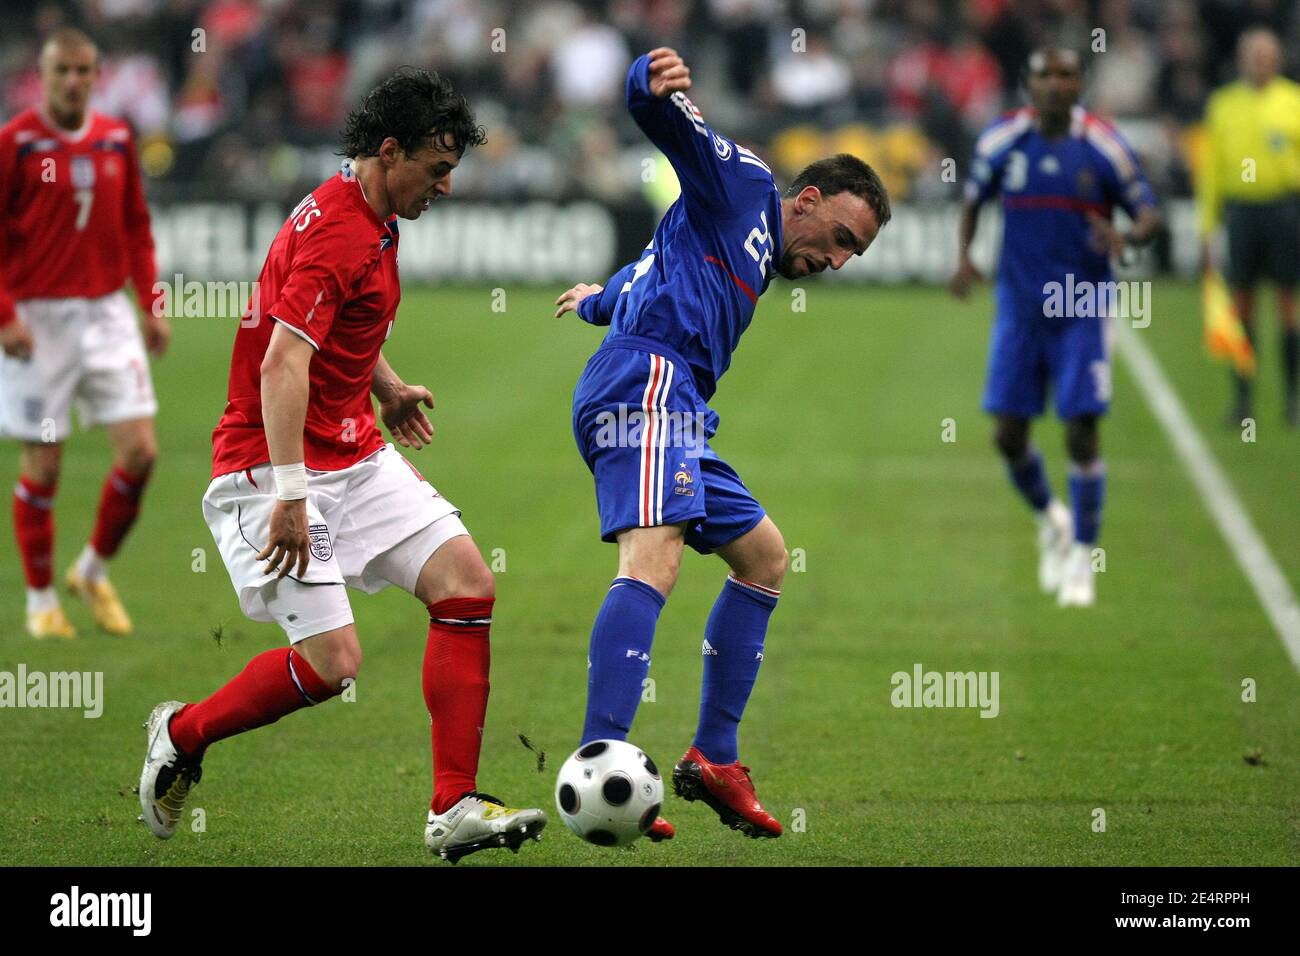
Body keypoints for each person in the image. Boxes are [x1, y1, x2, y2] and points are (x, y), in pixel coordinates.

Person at [138, 69, 545, 864]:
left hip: (350, 448)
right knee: (334, 665)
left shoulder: (368, 208)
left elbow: (333, 325)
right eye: (437, 168)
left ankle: (454, 804)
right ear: (389, 152)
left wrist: (385, 386)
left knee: (465, 581)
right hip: (271, 461)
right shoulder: (342, 230)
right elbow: (283, 364)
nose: (448, 186)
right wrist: (290, 495)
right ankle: (182, 731)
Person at [556, 47, 889, 840]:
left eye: (854, 254)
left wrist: (600, 299)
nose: (837, 260)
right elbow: (664, 122)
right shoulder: (741, 184)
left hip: (674, 401)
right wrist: (648, 79)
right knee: (653, 559)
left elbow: (653, 272)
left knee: (765, 557)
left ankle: (714, 756)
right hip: (647, 388)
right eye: (840, 235)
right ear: (805, 199)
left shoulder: (742, 247)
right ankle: (599, 762)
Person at [950, 47, 1159, 607]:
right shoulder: (1002, 140)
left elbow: (1148, 211)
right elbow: (972, 200)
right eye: (1044, 75)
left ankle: (1084, 559)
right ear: (1028, 82)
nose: (1054, 84)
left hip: (1082, 309)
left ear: (1079, 83)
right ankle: (1051, 518)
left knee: (1080, 427)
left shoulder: (1104, 145)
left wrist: (1130, 238)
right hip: (1019, 310)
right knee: (1007, 434)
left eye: (1065, 75)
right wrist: (964, 257)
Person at [0, 27, 168, 639]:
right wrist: (5, 316)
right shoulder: (15, 144)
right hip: (38, 323)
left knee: (142, 452)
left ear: (97, 76)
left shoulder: (118, 140)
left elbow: (136, 229)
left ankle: (92, 570)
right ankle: (41, 601)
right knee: (44, 463)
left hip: (105, 315)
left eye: (83, 70)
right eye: (61, 71)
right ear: (41, 78)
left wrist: (150, 304)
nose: (73, 81)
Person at [1197, 28, 1300, 426]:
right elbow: (1211, 171)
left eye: (1266, 55)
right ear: (1241, 60)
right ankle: (1243, 401)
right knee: (1241, 308)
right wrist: (1207, 226)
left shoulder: (1293, 100)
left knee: (1288, 306)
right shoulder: (1223, 105)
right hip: (1241, 212)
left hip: (1285, 210)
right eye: (1253, 55)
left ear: (1277, 60)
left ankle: (1292, 398)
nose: (1260, 61)